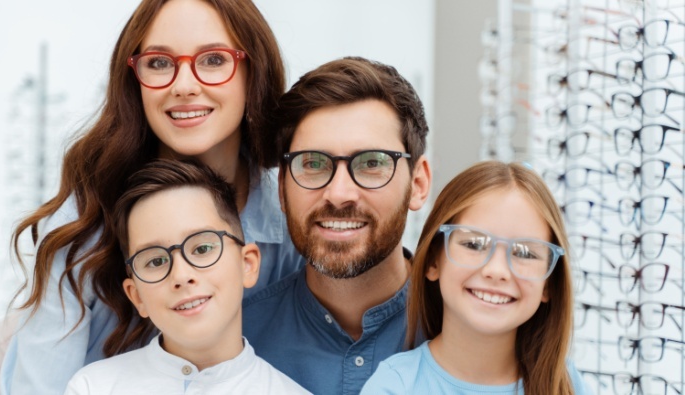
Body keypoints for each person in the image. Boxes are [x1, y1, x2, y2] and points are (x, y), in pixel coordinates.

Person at [0, 1, 303, 394]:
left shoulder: (289, 213)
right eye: (158, 63)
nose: (184, 85)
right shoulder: (82, 221)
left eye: (215, 59)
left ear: (254, 73)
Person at [242, 56, 432, 395]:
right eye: (312, 163)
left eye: (372, 163)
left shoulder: (470, 331)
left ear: (418, 184)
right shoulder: (235, 340)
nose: (339, 194)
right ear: (283, 187)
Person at [63, 159, 309, 394]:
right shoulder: (92, 387)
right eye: (156, 261)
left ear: (247, 264)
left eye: (202, 249)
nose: (181, 275)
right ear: (136, 295)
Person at [361, 161, 592, 395]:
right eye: (473, 244)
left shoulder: (566, 385)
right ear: (433, 261)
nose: (497, 271)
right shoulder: (395, 386)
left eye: (524, 253)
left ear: (549, 283)